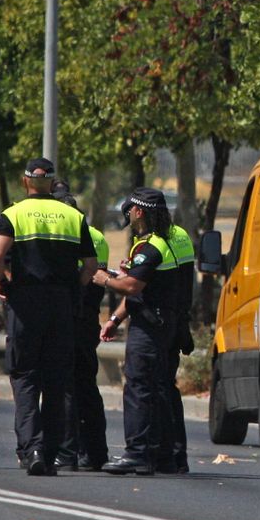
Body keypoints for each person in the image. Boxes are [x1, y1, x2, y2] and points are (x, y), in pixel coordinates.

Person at [0, 158, 98, 476]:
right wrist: (74, 289)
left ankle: (31, 448)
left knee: (25, 376)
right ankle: (52, 451)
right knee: (57, 380)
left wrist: (4, 281)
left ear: (25, 182)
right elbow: (90, 265)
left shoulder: (14, 213)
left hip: (25, 303)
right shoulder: (74, 216)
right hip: (61, 305)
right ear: (52, 183)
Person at [93, 188, 184, 476]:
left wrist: (103, 277)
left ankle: (137, 453)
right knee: (157, 389)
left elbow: (133, 287)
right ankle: (163, 456)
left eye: (130, 209)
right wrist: (117, 317)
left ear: (140, 212)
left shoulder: (152, 246)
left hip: (149, 326)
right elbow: (142, 284)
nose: (128, 214)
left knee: (139, 387)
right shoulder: (160, 242)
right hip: (161, 322)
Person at [51, 183, 110, 472]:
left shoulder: (65, 234)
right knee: (88, 386)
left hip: (67, 318)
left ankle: (67, 452)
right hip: (89, 319)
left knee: (65, 387)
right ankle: (96, 452)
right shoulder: (98, 235)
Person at [157, 217, 196, 474]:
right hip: (178, 320)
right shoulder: (181, 234)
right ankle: (177, 455)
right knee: (168, 388)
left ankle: (165, 454)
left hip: (161, 321)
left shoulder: (156, 241)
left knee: (158, 387)